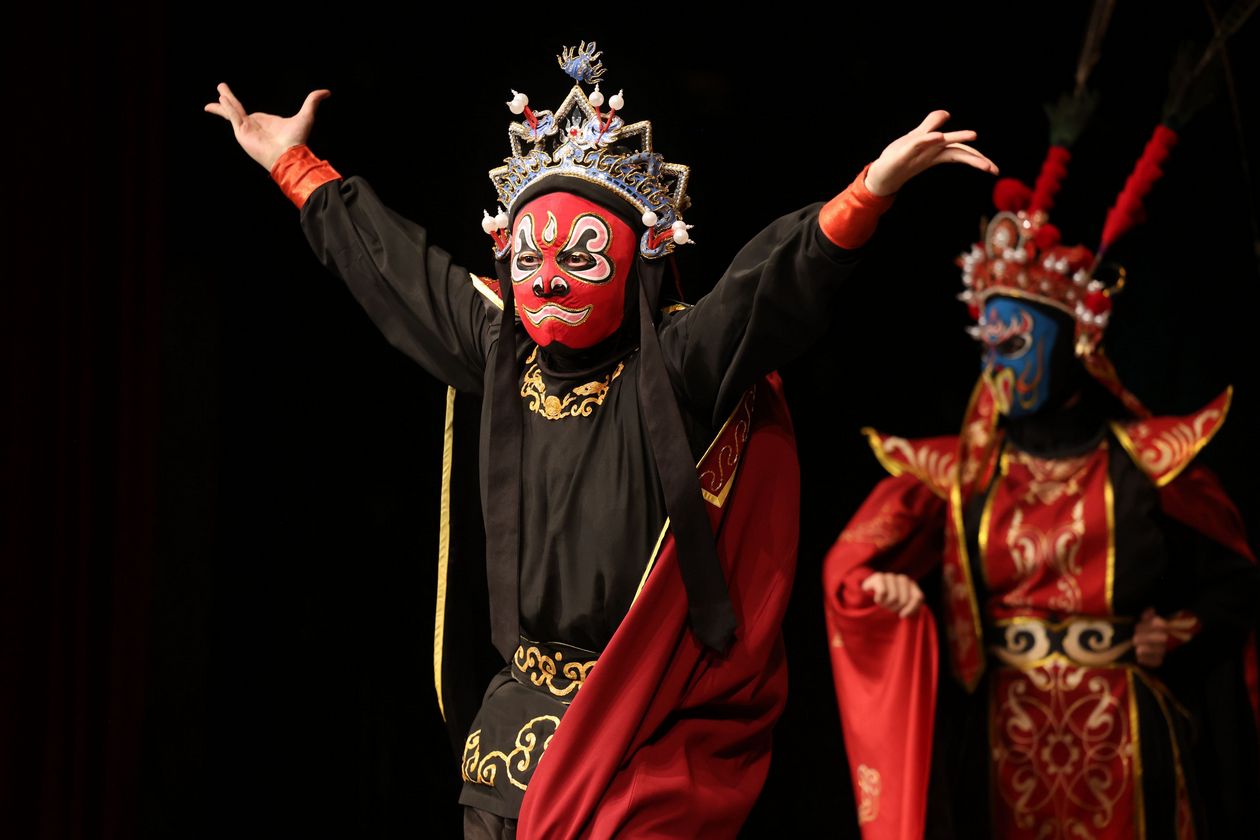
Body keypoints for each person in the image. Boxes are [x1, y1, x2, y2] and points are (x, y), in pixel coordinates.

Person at [207, 43, 997, 839]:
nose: (549, 277)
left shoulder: (678, 364)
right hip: (512, 741)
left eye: (580, 254)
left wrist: (869, 191)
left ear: (635, 260)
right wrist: (293, 164)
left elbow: (768, 286)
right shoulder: (502, 348)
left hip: (640, 733)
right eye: (530, 255)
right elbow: (396, 269)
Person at [823, 126, 1260, 838]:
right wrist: (885, 595)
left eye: (1017, 344)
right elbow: (851, 571)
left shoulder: (1147, 462)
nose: (997, 365)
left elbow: (1236, 584)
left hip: (1128, 748)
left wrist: (1180, 631)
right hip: (1001, 745)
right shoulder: (960, 475)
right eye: (987, 345)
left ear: (1074, 343)